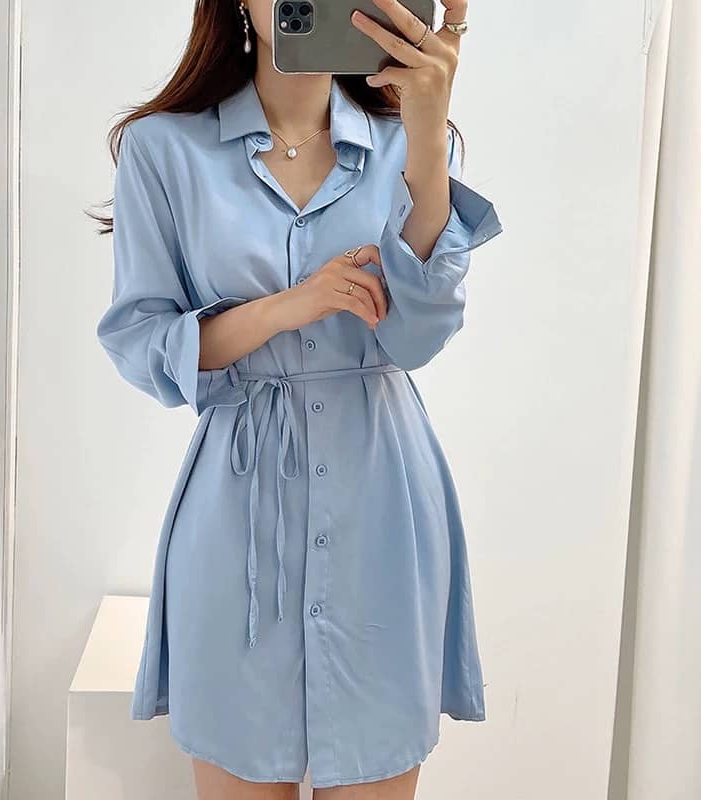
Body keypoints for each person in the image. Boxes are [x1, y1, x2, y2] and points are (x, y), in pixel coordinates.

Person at [91, 0, 502, 796]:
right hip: (236, 512)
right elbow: (141, 341)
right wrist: (290, 306)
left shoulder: (411, 144)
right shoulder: (162, 149)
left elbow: (417, 338)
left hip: (382, 502)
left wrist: (426, 137)